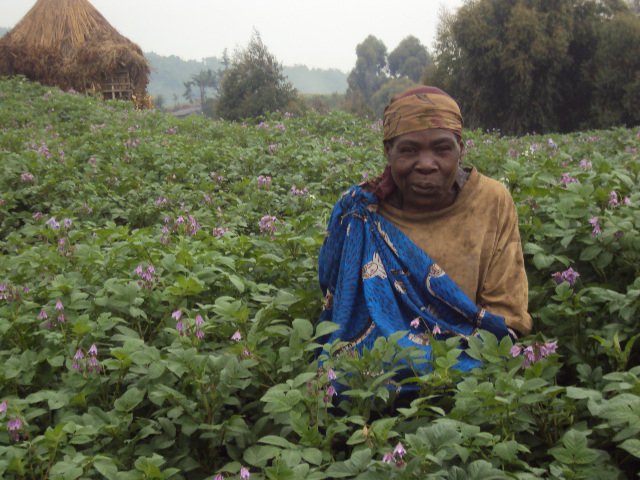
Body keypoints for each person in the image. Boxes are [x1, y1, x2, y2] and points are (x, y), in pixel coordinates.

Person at [318, 86, 532, 379]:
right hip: (372, 375)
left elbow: (506, 317)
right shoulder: (360, 214)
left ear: (461, 149)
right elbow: (339, 306)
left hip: (466, 368)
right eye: (408, 150)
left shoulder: (492, 201)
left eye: (442, 149)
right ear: (388, 152)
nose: (427, 165)